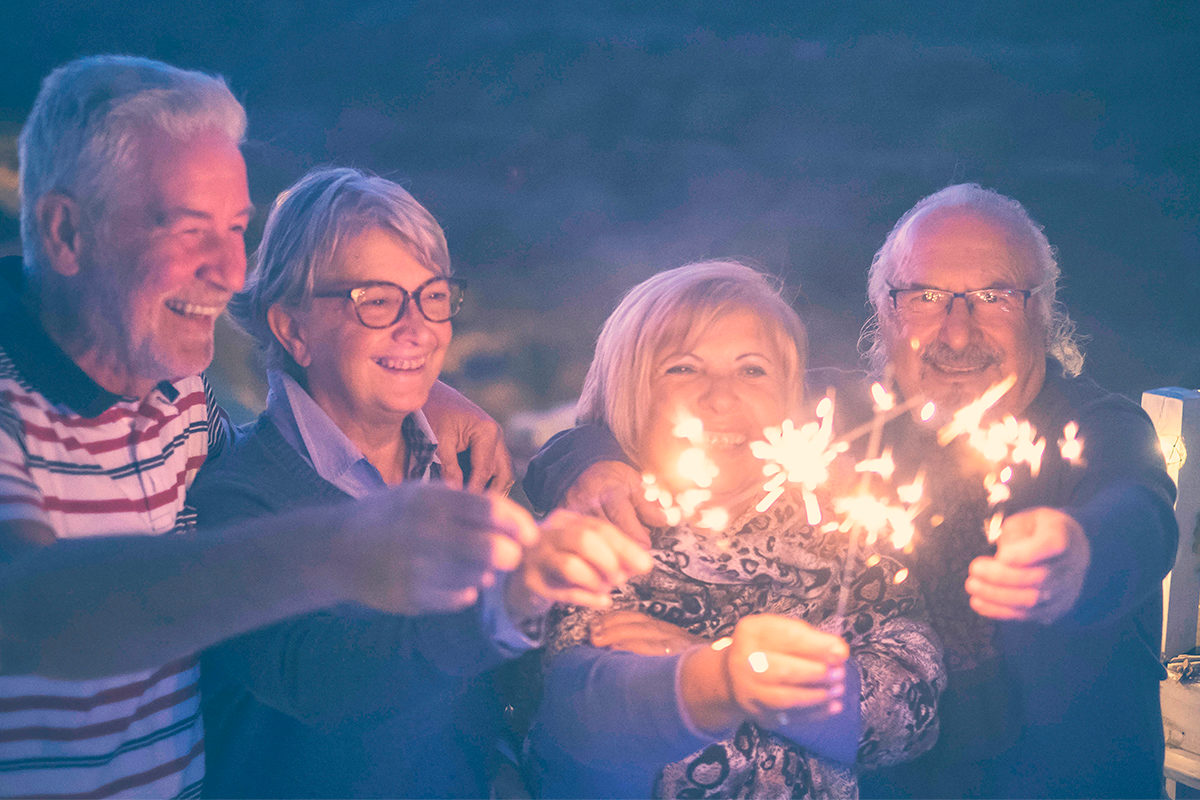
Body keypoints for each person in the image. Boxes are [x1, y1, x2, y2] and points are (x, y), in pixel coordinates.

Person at [0, 55, 544, 798]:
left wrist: (418, 390)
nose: (231, 272)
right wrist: (348, 546)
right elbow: (32, 608)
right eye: (190, 229)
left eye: (237, 229)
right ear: (66, 232)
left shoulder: (177, 391)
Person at [525, 185, 1178, 799]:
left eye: (993, 295)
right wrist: (588, 461)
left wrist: (1079, 555)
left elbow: (1140, 516)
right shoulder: (849, 416)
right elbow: (679, 404)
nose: (957, 331)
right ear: (885, 312)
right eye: (925, 296)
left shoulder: (1097, 429)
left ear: (1042, 308)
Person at [186, 166, 651, 798]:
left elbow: (493, 684)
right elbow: (318, 680)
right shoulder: (237, 497)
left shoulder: (463, 468)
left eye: (432, 296)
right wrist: (506, 603)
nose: (419, 328)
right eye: (377, 300)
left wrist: (594, 459)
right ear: (293, 328)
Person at [525, 261, 944, 798]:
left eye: (752, 370)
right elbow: (582, 712)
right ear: (630, 395)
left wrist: (730, 668)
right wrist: (716, 680)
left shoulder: (849, 528)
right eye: (682, 368)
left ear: (790, 397)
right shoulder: (598, 537)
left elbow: (910, 712)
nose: (720, 398)